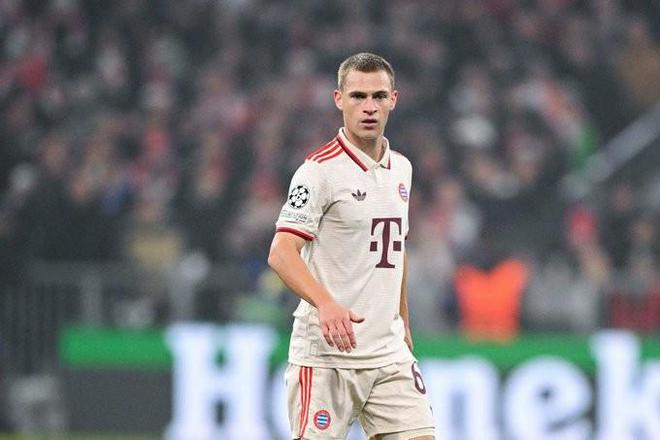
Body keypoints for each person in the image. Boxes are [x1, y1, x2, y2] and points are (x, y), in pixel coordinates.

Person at [268, 52, 435, 440]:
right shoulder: (318, 172)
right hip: (326, 358)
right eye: (358, 96)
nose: (369, 107)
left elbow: (395, 248)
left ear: (394, 100)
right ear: (339, 99)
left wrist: (403, 320)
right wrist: (325, 304)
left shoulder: (402, 168)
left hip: (388, 353)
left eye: (379, 96)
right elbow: (281, 252)